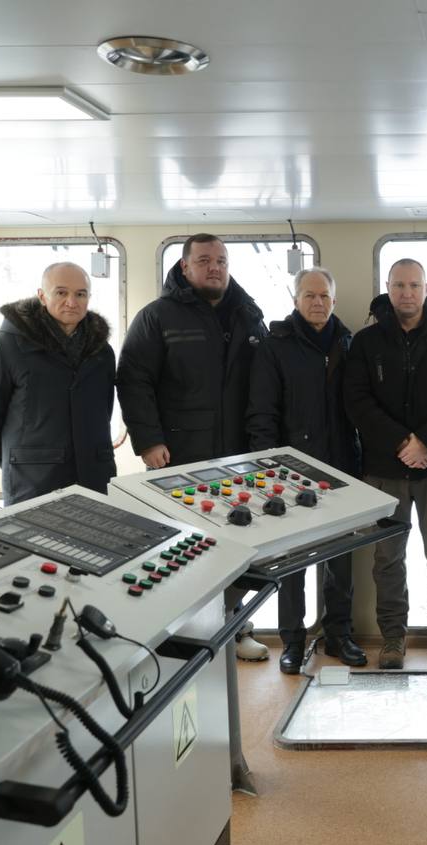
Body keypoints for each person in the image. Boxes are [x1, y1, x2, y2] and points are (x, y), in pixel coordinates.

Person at [117, 233, 270, 661]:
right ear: (184, 267)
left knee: (240, 545)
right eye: (204, 260)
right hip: (178, 457)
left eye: (221, 260)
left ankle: (235, 629)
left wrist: (264, 447)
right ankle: (183, 635)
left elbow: (265, 385)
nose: (214, 267)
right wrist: (148, 441)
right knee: (183, 549)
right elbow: (133, 379)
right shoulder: (157, 317)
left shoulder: (249, 315)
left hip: (240, 457)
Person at [343, 258, 427, 670]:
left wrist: (425, 442)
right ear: (388, 287)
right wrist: (403, 442)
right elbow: (357, 402)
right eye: (399, 285)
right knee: (387, 558)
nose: (407, 293)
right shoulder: (366, 342)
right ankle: (392, 638)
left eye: (414, 285)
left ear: (426, 288)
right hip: (384, 469)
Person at [247, 267, 366, 674]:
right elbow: (262, 411)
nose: (318, 302)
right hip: (290, 471)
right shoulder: (275, 347)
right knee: (292, 560)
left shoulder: (348, 343)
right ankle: (293, 641)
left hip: (341, 467)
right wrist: (269, 468)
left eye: (324, 296)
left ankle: (339, 635)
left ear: (334, 300)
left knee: (341, 560)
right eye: (309, 295)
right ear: (295, 299)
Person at [0, 262, 115, 506]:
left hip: (95, 479)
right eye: (61, 292)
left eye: (81, 294)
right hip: (33, 486)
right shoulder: (3, 348)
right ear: (42, 296)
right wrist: (25, 462)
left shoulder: (102, 352)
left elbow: (104, 412)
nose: (72, 302)